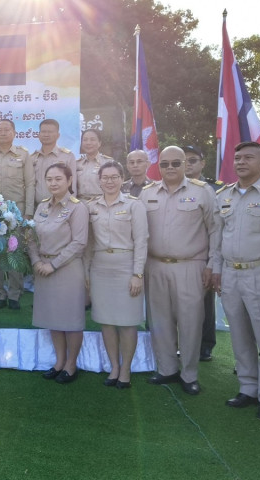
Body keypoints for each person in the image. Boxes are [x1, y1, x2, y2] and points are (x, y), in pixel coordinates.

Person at [139, 146, 217, 395]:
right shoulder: (147, 193)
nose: (170, 168)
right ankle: (167, 369)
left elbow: (215, 230)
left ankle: (189, 374)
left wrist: (212, 264)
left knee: (191, 321)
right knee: (159, 320)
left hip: (191, 265)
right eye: (165, 164)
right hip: (155, 265)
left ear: (185, 164)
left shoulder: (202, 192)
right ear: (158, 166)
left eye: (176, 163)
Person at [212, 141, 260, 420]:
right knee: (239, 335)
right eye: (238, 158)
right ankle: (248, 387)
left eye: (248, 158)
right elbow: (218, 239)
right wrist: (216, 269)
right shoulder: (224, 196)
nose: (241, 162)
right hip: (231, 274)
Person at [85, 161, 148, 388]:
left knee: (127, 322)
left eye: (114, 177)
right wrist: (86, 274)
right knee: (106, 321)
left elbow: (141, 241)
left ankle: (126, 370)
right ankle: (114, 367)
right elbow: (88, 244)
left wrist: (137, 274)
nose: (109, 181)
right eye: (105, 177)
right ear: (99, 180)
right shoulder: (91, 206)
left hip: (126, 267)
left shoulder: (134, 205)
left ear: (122, 179)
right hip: (100, 268)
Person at [28, 163, 88, 384]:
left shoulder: (77, 208)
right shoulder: (42, 206)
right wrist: (36, 261)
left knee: (70, 320)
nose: (53, 183)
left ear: (69, 181)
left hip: (66, 270)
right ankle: (59, 362)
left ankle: (71, 365)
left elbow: (79, 243)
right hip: (43, 268)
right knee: (53, 318)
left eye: (58, 179)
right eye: (49, 179)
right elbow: (31, 238)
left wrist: (53, 265)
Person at [0, 119, 34, 309]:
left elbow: (30, 184)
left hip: (16, 213)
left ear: (14, 133)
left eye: (6, 129)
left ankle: (15, 295)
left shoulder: (23, 155)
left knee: (14, 253)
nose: (3, 133)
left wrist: (28, 212)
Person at [182, 144, 223, 362]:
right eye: (184, 160)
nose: (187, 164)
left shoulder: (215, 189)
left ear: (203, 163)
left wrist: (213, 260)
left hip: (205, 254)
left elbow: (217, 227)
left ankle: (205, 345)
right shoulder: (175, 187)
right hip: (181, 254)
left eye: (192, 160)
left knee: (204, 303)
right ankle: (184, 344)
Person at [32, 118, 76, 204]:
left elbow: (72, 185)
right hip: (38, 207)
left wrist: (71, 206)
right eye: (43, 132)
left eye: (50, 132)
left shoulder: (67, 156)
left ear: (58, 135)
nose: (46, 135)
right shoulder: (32, 158)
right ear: (39, 135)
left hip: (61, 206)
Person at [76, 128, 113, 201]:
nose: (88, 143)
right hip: (80, 203)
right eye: (85, 140)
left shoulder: (108, 163)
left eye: (92, 139)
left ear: (99, 143)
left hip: (101, 202)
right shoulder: (76, 164)